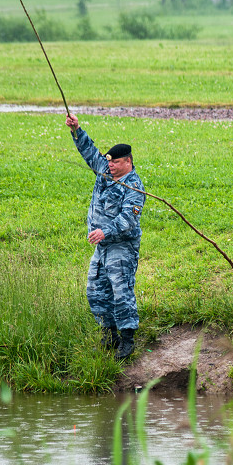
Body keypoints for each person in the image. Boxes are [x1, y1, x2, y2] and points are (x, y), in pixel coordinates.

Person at [66, 113, 146, 359]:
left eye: (115, 162)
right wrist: (76, 129)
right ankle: (109, 334)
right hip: (101, 247)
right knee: (96, 290)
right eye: (109, 162)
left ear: (128, 162)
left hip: (121, 246)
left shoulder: (134, 187)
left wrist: (105, 230)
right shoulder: (104, 170)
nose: (110, 165)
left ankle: (127, 339)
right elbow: (89, 152)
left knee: (121, 290)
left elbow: (128, 219)